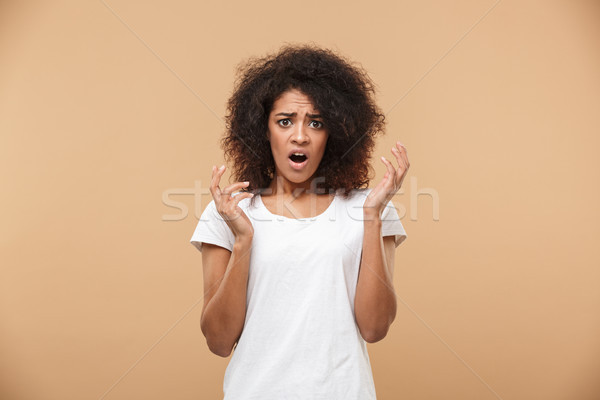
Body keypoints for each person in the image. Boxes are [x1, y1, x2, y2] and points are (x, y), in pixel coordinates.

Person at [190, 43, 410, 399]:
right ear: (264, 131)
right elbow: (218, 340)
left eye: (316, 122)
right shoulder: (229, 213)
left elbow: (375, 328)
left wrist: (372, 217)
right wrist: (245, 240)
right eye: (285, 121)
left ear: (334, 134)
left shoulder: (368, 207)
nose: (300, 135)